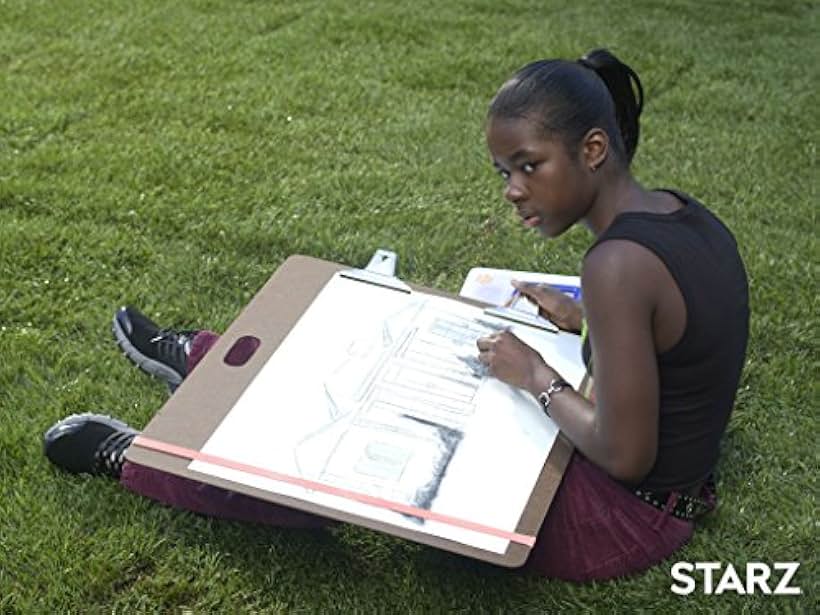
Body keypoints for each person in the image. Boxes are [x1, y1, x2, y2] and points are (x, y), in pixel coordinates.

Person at [43, 48, 749, 582]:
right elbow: (673, 338)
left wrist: (535, 373)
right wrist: (579, 319)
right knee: (395, 355)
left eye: (528, 166)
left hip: (621, 519)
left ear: (593, 149)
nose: (511, 190)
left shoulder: (616, 267)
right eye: (503, 171)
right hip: (659, 491)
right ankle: (206, 360)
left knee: (355, 459)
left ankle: (140, 458)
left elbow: (629, 455)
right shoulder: (680, 213)